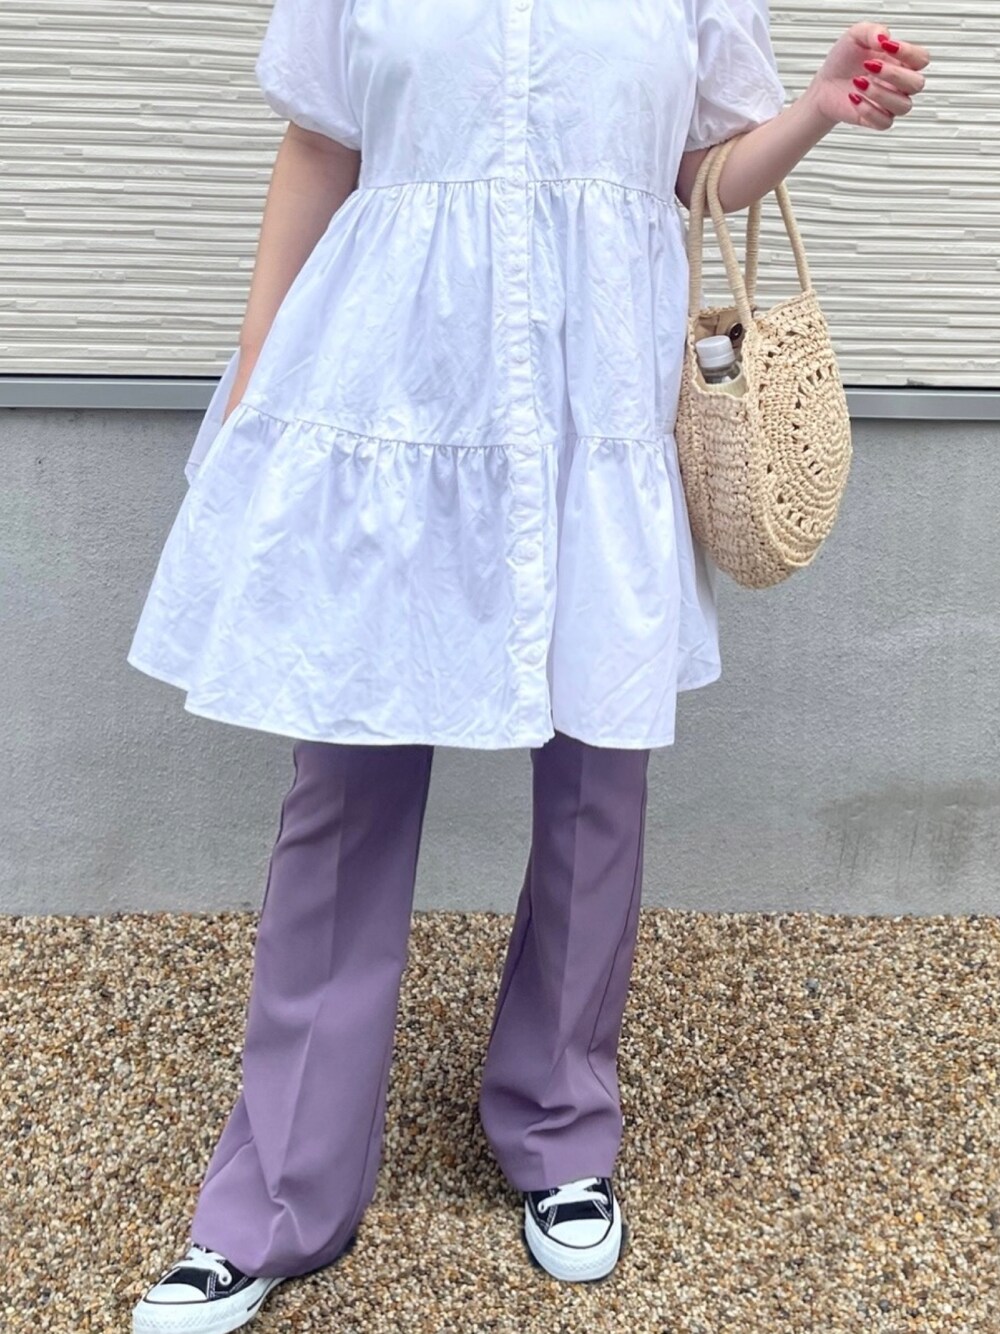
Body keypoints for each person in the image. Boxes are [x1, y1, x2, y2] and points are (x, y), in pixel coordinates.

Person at [127, 2, 929, 1328]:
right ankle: (272, 1197)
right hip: (393, 405)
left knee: (599, 773)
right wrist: (262, 367)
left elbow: (702, 173)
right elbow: (321, 145)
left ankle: (561, 1127)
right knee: (345, 779)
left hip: (596, 406)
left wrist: (817, 110)